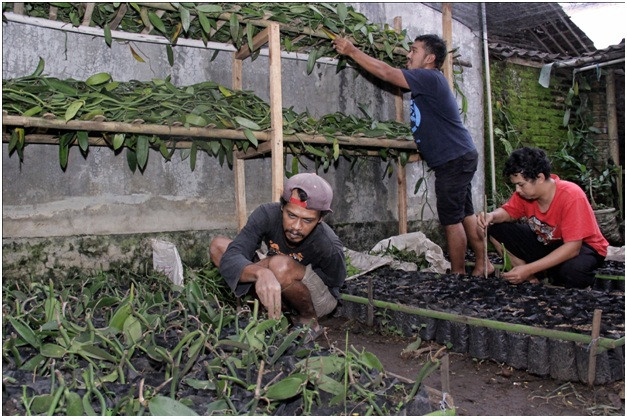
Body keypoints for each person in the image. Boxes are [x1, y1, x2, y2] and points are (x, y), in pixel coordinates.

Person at [332, 34, 490, 276]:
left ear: (429, 58)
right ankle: (482, 264)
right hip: (459, 156)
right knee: (465, 214)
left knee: (451, 220)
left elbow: (386, 73)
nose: (408, 54)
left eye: (414, 50)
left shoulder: (429, 77)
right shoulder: (429, 81)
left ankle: (458, 277)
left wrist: (352, 51)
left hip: (453, 160)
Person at [210, 173, 346, 338]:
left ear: (320, 219)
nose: (296, 227)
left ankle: (308, 321)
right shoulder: (266, 214)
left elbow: (334, 286)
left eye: (307, 220)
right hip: (278, 279)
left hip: (316, 298)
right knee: (219, 247)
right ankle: (269, 307)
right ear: (282, 207)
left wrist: (274, 267)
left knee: (279, 266)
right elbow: (233, 255)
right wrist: (261, 272)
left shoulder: (329, 245)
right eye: (291, 215)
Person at [477, 147, 608, 287]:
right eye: (516, 185)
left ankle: (533, 273)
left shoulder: (571, 195)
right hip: (548, 242)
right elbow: (509, 212)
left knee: (572, 272)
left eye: (521, 184)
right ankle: (530, 280)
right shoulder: (525, 194)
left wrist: (528, 268)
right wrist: (491, 216)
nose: (518, 190)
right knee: (496, 228)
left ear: (540, 178)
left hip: (584, 247)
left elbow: (573, 248)